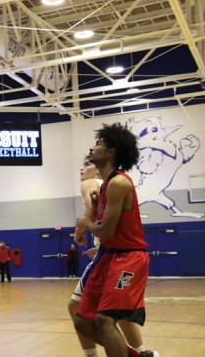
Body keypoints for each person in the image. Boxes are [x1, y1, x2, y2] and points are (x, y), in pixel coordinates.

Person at [75, 123, 159, 357]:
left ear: (111, 152)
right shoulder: (104, 187)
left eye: (99, 144)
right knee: (82, 321)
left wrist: (84, 223)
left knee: (105, 318)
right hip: (108, 258)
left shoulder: (119, 183)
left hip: (128, 259)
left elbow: (106, 232)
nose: (93, 148)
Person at [70, 157, 146, 357]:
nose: (81, 168)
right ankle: (140, 352)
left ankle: (94, 355)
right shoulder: (106, 187)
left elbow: (91, 217)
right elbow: (105, 222)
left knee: (87, 312)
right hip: (110, 253)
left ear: (98, 168)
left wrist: (80, 229)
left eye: (86, 164)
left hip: (119, 256)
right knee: (113, 314)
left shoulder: (93, 183)